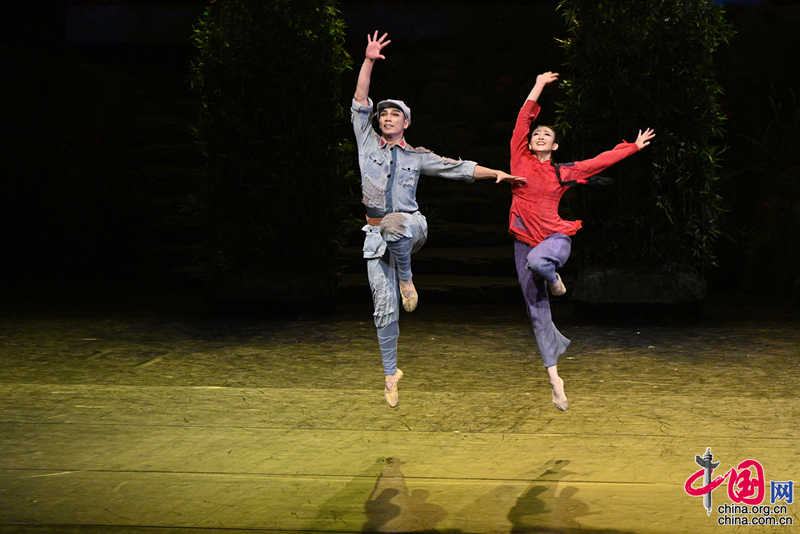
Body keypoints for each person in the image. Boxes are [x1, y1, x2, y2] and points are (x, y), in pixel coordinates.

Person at [353, 32, 523, 408]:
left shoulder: (417, 156)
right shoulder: (367, 145)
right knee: (384, 308)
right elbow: (360, 102)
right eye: (384, 114)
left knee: (395, 224)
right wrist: (368, 60)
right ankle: (390, 374)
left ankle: (407, 278)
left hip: (411, 226)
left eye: (395, 114)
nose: (387, 117)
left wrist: (496, 173)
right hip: (375, 235)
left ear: (407, 122)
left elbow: (457, 168)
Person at [509, 71, 655, 411]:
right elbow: (522, 121)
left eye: (547, 135)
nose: (539, 136)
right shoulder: (519, 160)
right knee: (537, 314)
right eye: (536, 134)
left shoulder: (562, 172)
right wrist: (539, 84)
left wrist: (632, 147)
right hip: (523, 241)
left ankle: (554, 279)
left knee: (539, 262)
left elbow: (598, 162)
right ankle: (555, 380)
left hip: (556, 238)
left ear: (555, 146)